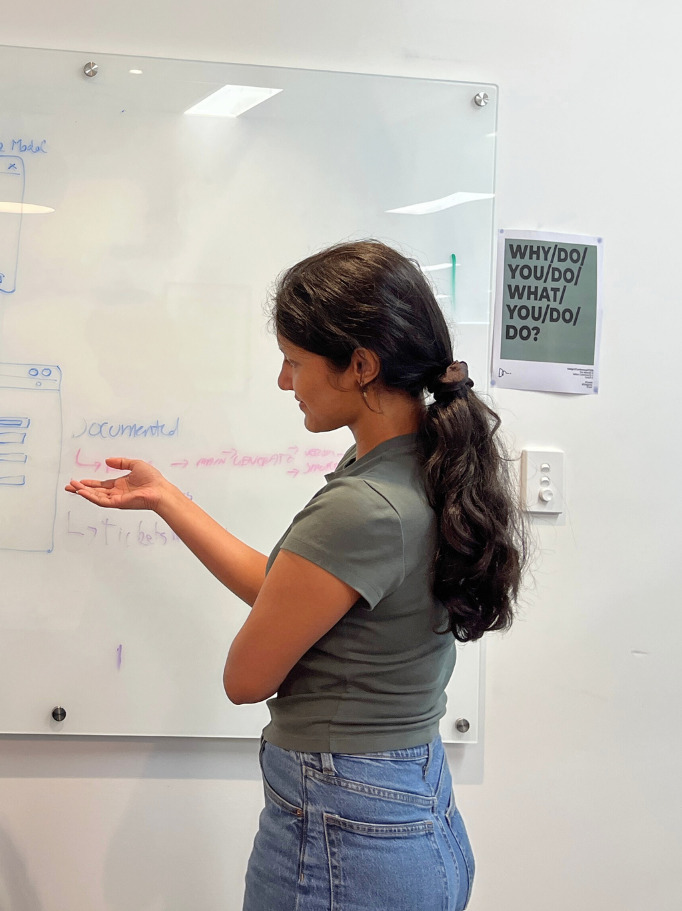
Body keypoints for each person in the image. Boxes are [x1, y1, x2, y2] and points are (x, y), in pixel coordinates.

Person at [66, 241, 527, 911]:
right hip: (404, 805)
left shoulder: (362, 508)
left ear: (361, 365)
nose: (285, 382)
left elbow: (245, 678)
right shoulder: (421, 464)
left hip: (345, 823)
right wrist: (167, 498)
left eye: (294, 362)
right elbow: (293, 591)